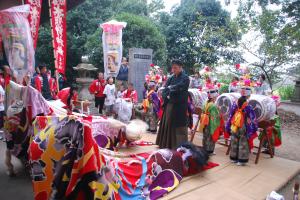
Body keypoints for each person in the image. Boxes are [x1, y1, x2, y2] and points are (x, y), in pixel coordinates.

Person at [156, 59, 190, 149]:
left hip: (179, 105)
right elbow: (165, 88)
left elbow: (180, 87)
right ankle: (165, 143)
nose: (173, 70)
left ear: (180, 67)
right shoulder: (171, 77)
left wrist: (170, 89)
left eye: (175, 68)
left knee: (178, 126)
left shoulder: (185, 78)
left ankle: (178, 146)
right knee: (167, 123)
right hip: (169, 103)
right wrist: (166, 95)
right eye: (173, 68)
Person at [226, 82, 258, 166]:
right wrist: (254, 127)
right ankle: (241, 160)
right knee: (243, 143)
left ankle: (233, 158)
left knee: (234, 140)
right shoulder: (248, 106)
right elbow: (252, 119)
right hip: (243, 126)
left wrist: (228, 125)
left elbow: (230, 115)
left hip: (234, 125)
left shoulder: (235, 104)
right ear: (248, 95)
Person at [199, 86, 222, 155]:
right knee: (210, 136)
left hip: (204, 121)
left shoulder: (206, 103)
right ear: (214, 97)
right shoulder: (213, 106)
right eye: (215, 97)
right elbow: (215, 117)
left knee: (205, 136)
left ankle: (204, 148)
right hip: (210, 122)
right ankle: (209, 151)